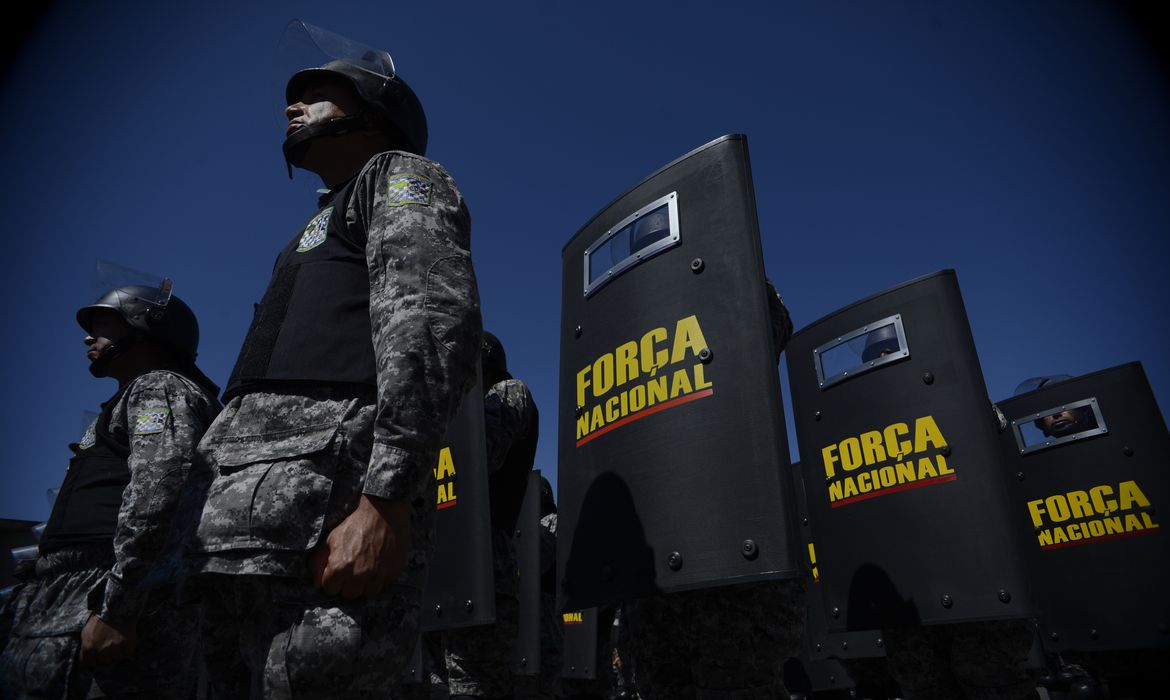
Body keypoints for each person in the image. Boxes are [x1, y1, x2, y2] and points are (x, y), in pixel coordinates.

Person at [188, 21, 481, 698]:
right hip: (239, 533)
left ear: (373, 111)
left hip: (329, 517)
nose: (292, 107)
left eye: (318, 94)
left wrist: (386, 500)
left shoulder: (400, 177)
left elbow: (429, 326)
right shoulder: (306, 231)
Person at [0, 283, 220, 698]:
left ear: (145, 329)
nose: (88, 336)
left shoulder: (160, 388)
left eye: (103, 324)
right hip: (72, 591)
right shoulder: (129, 399)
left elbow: (159, 495)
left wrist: (119, 608)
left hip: (105, 592)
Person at [622, 281, 806, 700]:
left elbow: (773, 326)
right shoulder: (628, 316)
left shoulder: (734, 280)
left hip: (735, 557)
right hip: (657, 581)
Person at [445, 332, 539, 700]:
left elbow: (481, 452)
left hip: (483, 561)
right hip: (443, 562)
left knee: (474, 684)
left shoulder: (509, 391)